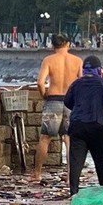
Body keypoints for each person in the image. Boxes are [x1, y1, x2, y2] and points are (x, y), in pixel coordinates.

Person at [62, 55, 103, 194]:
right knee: (101, 162)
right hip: (97, 126)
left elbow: (67, 102)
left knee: (76, 161)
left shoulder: (76, 83)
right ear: (98, 69)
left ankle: (73, 192)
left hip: (77, 126)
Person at [35, 33, 82, 181]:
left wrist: (44, 95)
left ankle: (37, 173)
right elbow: (81, 82)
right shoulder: (77, 61)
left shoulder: (48, 60)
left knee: (45, 138)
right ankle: (70, 175)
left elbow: (40, 83)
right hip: (71, 102)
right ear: (68, 44)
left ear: (52, 45)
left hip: (53, 100)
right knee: (69, 139)